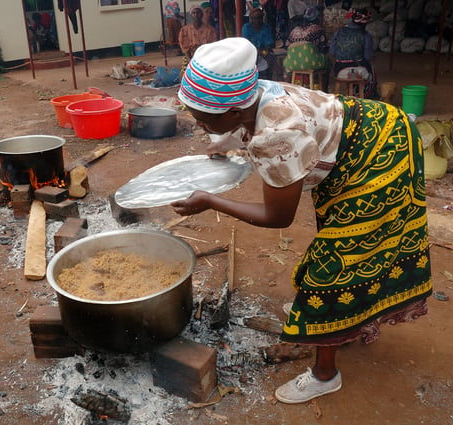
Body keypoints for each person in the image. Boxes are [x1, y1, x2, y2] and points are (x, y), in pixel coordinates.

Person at [174, 37, 432, 404]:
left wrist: (210, 201)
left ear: (233, 112)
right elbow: (251, 125)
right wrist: (224, 142)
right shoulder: (259, 93)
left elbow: (277, 217)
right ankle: (349, 317)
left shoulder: (275, 137)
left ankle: (325, 374)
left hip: (379, 155)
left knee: (338, 265)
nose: (197, 123)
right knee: (342, 241)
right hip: (363, 133)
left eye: (202, 117)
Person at [330, 8, 378, 98]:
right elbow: (368, 57)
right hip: (358, 72)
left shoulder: (339, 32)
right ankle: (366, 96)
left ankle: (352, 93)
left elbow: (332, 52)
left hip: (339, 71)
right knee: (372, 71)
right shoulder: (366, 35)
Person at [283, 6, 330, 90]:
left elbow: (287, 46)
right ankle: (325, 91)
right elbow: (324, 47)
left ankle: (290, 91)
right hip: (310, 62)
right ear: (316, 18)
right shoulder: (318, 29)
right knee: (328, 63)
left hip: (292, 63)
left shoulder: (295, 30)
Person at [178, 6, 218, 73]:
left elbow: (212, 47)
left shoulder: (210, 30)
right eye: (194, 13)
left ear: (202, 14)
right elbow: (185, 49)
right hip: (190, 57)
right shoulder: (185, 30)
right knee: (185, 76)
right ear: (191, 15)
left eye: (198, 13)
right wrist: (191, 63)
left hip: (206, 57)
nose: (196, 15)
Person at [242, 7, 277, 80]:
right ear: (251, 19)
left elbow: (269, 44)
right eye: (255, 18)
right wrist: (258, 51)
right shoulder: (246, 27)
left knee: (271, 57)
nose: (257, 20)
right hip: (250, 51)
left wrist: (261, 51)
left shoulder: (266, 27)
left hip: (263, 52)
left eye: (259, 18)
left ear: (262, 18)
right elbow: (246, 44)